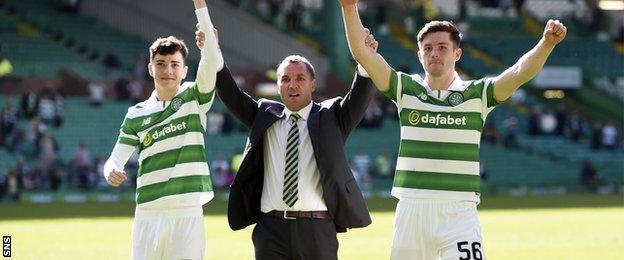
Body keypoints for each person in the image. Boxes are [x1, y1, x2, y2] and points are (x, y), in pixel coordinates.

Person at [339, 0, 567, 258]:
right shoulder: (405, 89)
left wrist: (546, 44)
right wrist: (349, 7)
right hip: (413, 207)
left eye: (442, 47)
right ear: (419, 55)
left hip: (459, 211)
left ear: (457, 54)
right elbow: (362, 53)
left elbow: (517, 73)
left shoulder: (477, 94)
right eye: (427, 48)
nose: (434, 53)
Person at [195, 10, 377, 260]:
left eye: (300, 78)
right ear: (278, 86)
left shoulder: (332, 116)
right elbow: (229, 92)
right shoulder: (264, 114)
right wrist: (211, 52)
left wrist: (365, 57)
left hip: (317, 231)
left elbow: (360, 92)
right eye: (286, 79)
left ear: (313, 84)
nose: (293, 85)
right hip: (271, 231)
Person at [102, 1, 219, 259]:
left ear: (185, 70)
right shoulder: (136, 113)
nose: (168, 70)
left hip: (187, 211)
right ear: (150, 67)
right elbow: (114, 159)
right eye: (162, 63)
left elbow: (212, 61)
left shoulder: (195, 97)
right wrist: (111, 171)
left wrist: (202, 10)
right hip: (147, 213)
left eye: (175, 64)